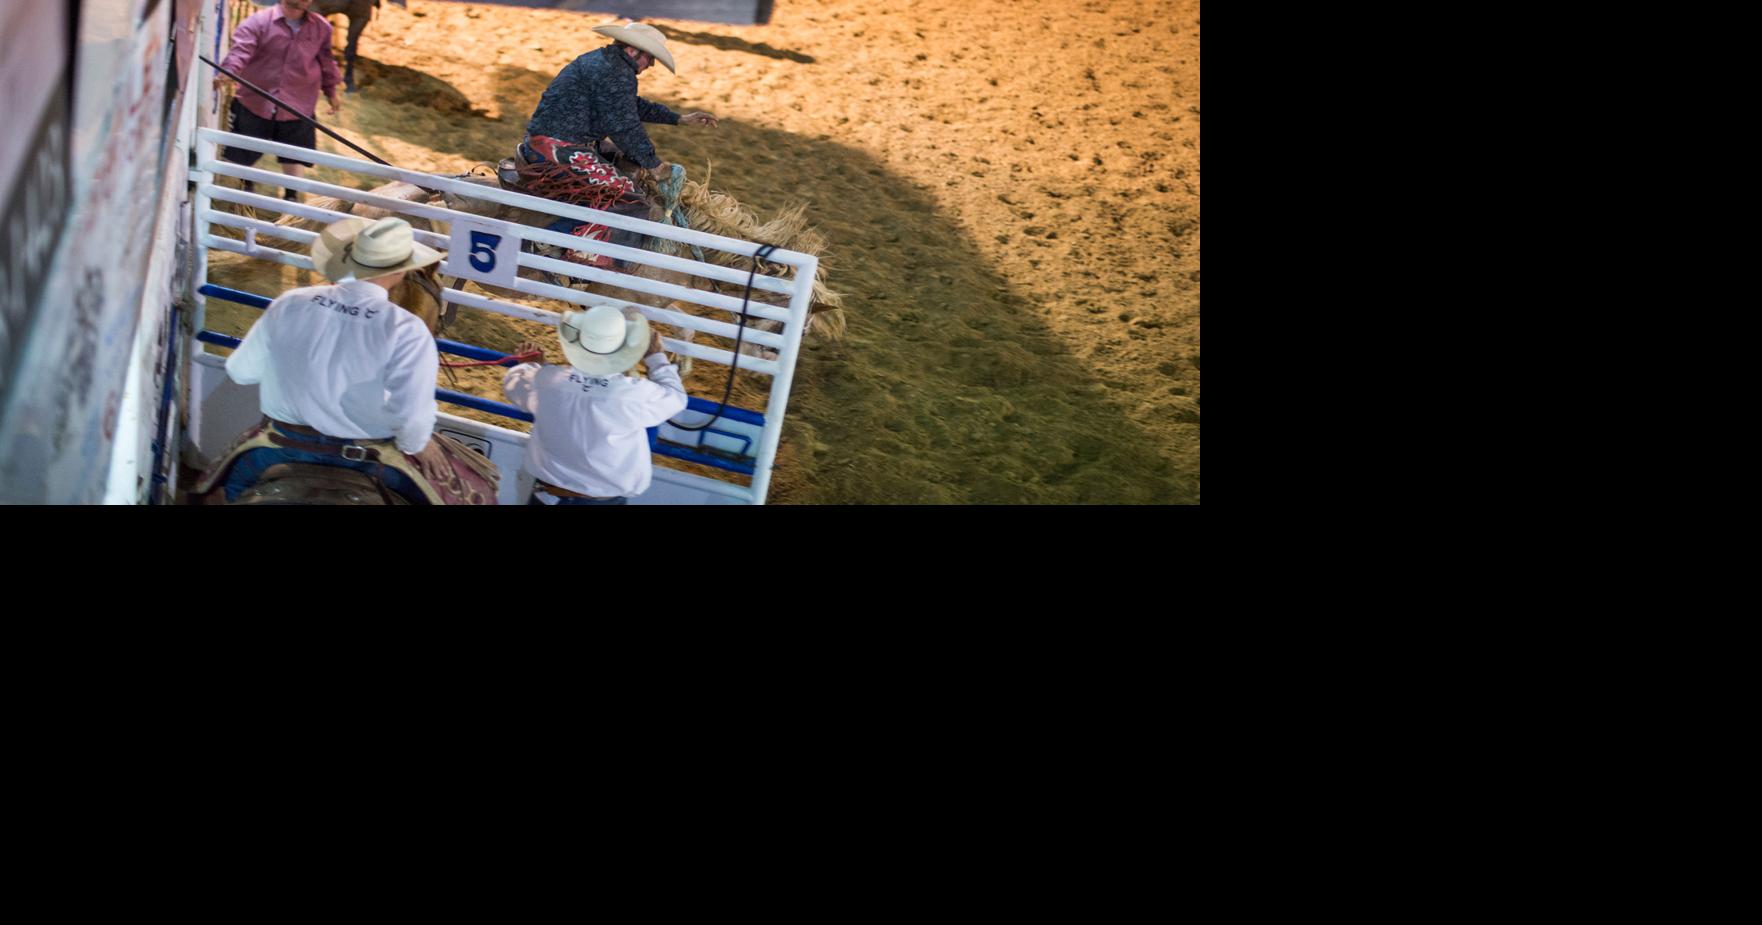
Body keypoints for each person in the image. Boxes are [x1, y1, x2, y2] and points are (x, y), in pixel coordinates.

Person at [216, 216, 452, 502]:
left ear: (351, 261)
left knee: (224, 488)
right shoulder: (407, 329)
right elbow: (412, 419)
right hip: (367, 459)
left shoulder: (290, 303)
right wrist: (417, 444)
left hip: (277, 449)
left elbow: (240, 372)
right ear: (401, 271)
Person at [519, 21, 719, 263]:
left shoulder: (605, 63)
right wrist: (653, 163)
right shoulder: (615, 72)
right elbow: (623, 126)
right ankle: (551, 243)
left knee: (626, 168)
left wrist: (678, 119)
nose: (652, 64)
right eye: (650, 57)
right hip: (560, 148)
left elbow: (629, 107)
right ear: (633, 50)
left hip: (556, 141)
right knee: (626, 195)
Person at [502, 306, 688, 505]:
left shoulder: (547, 380)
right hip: (602, 500)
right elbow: (676, 397)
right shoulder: (634, 394)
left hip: (547, 496)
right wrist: (656, 358)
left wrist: (531, 365)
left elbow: (514, 384)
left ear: (577, 341)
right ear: (625, 349)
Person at [213, 0, 343, 203]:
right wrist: (228, 72)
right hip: (255, 101)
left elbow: (326, 60)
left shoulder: (321, 28)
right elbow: (241, 51)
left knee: (294, 153)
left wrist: (331, 91)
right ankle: (245, 191)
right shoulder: (257, 23)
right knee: (245, 150)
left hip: (299, 104)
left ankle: (292, 196)